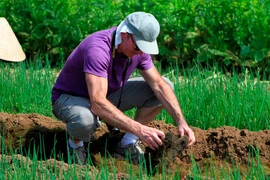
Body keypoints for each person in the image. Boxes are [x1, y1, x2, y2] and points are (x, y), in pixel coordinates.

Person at [52, 12, 195, 165]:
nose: (140, 52)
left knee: (165, 86)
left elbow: (159, 86)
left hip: (105, 94)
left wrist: (181, 122)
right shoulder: (98, 49)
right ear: (125, 34)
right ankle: (75, 146)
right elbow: (98, 103)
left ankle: (126, 144)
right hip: (70, 98)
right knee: (85, 120)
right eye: (138, 47)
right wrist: (139, 129)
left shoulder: (137, 51)